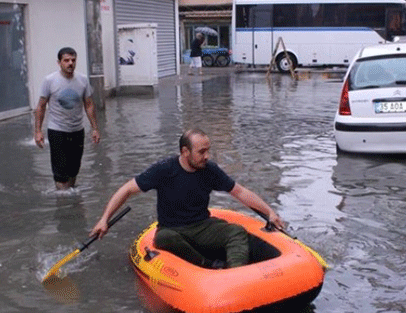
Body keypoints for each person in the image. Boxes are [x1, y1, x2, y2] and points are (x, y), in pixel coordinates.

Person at [90, 128, 285, 269]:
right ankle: (208, 265)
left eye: (208, 150)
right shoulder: (164, 170)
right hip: (173, 229)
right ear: (185, 152)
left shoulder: (210, 170)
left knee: (236, 232)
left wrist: (269, 212)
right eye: (201, 152)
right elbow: (126, 190)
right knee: (165, 238)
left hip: (202, 225)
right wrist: (104, 219)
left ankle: (236, 273)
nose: (207, 156)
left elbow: (240, 192)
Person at [35, 47, 101, 190]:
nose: (70, 63)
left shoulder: (82, 80)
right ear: (59, 62)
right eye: (66, 60)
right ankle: (63, 204)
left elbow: (89, 105)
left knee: (73, 171)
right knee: (61, 174)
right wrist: (38, 131)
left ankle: (72, 204)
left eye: (73, 60)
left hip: (77, 131)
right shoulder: (50, 80)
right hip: (57, 131)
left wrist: (95, 129)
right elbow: (40, 106)